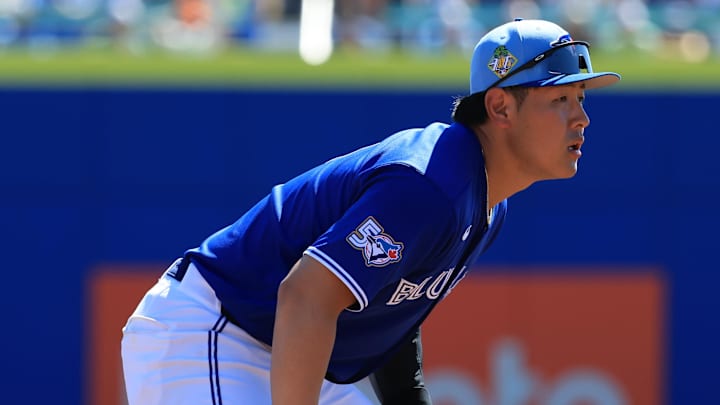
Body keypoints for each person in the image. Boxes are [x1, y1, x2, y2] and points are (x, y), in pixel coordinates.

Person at [120, 18, 620, 405]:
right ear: (501, 108)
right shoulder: (432, 183)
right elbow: (305, 297)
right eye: (560, 99)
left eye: (579, 97)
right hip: (216, 331)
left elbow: (390, 313)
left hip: (292, 352)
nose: (582, 117)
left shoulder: (486, 200)